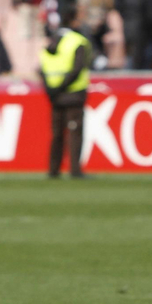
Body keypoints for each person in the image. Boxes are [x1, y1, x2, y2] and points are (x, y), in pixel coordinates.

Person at [39, 13, 92, 179]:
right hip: (74, 94)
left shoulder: (49, 44)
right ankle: (75, 170)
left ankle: (53, 170)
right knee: (75, 132)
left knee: (57, 134)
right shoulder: (77, 41)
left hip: (54, 96)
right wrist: (63, 86)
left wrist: (52, 90)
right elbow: (77, 69)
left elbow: (43, 70)